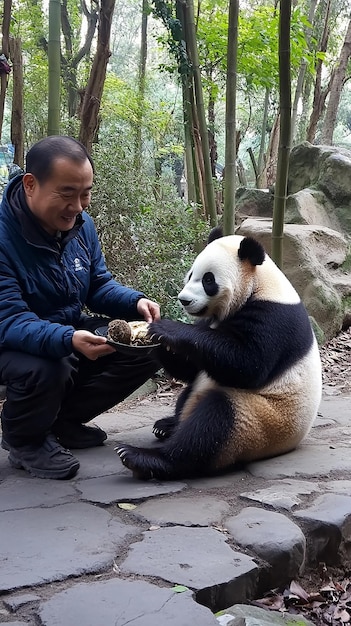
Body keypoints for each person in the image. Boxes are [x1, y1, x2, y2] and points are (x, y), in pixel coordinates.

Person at [0, 135, 161, 480]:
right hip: (10, 341)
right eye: (67, 193)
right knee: (49, 365)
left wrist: (136, 301)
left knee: (151, 343)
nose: (79, 205)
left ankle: (63, 423)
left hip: (66, 329)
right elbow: (9, 319)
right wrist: (68, 339)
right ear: (31, 185)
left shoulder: (80, 225)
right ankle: (25, 440)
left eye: (85, 192)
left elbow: (98, 285)